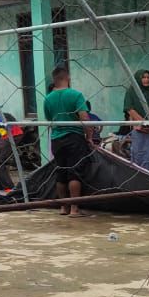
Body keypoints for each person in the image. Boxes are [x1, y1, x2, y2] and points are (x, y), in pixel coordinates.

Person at [43, 67, 94, 217]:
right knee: (74, 173)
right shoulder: (76, 95)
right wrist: (89, 137)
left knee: (61, 172)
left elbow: (49, 118)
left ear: (54, 80)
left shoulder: (48, 98)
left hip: (56, 139)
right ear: (68, 78)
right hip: (74, 137)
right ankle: (74, 209)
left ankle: (63, 208)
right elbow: (84, 118)